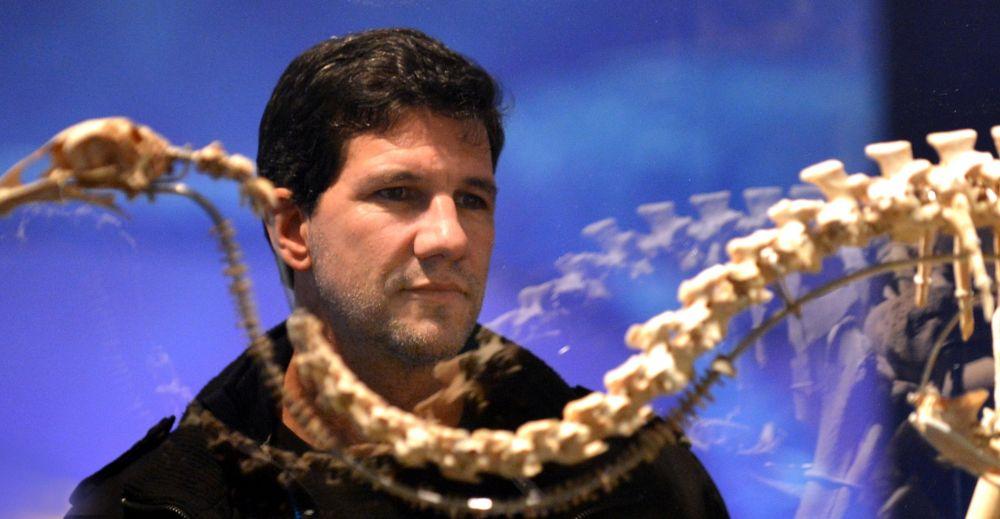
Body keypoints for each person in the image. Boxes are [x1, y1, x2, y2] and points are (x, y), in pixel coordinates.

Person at [65, 28, 727, 518]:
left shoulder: (642, 487)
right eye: (399, 194)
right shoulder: (147, 508)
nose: (449, 237)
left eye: (472, 199)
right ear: (293, 228)